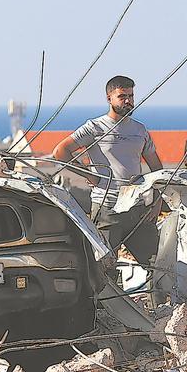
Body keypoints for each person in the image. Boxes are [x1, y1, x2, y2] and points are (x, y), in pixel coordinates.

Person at [52, 75, 163, 268]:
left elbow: (157, 169)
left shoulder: (140, 130)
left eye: (131, 96)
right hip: (107, 209)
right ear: (109, 98)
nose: (128, 101)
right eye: (122, 96)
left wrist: (157, 200)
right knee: (104, 269)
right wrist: (88, 174)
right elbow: (60, 151)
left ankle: (160, 300)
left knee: (158, 265)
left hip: (137, 209)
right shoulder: (94, 127)